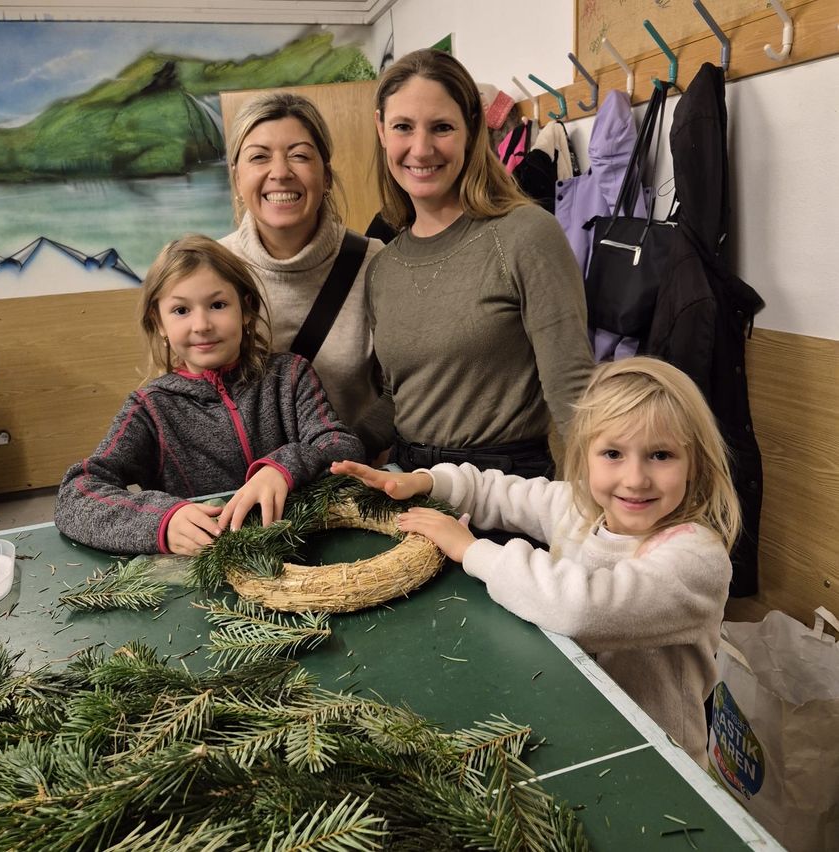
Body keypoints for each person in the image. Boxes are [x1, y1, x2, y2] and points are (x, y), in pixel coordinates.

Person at [332, 357, 741, 767]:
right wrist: (426, 481)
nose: (635, 479)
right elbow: (494, 491)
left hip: (658, 761)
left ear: (695, 464)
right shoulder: (580, 506)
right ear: (585, 456)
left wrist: (471, 550)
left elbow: (583, 609)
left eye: (661, 455)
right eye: (613, 453)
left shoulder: (696, 559)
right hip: (576, 726)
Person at [55, 235, 365, 557]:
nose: (201, 325)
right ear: (157, 322)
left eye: (217, 305)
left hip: (309, 550)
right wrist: (162, 521)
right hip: (209, 570)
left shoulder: (290, 375)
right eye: (180, 310)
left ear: (247, 310)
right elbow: (76, 493)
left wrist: (282, 467)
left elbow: (341, 446)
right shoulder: (150, 408)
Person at [361, 48, 594, 476]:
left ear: (472, 129)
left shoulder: (526, 234)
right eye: (403, 127)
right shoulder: (383, 266)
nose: (421, 147)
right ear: (381, 130)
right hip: (409, 486)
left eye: (442, 127)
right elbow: (401, 398)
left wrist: (609, 507)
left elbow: (572, 392)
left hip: (507, 490)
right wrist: (330, 450)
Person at [220, 92, 384, 438]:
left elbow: (401, 394)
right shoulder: (212, 270)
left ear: (325, 175)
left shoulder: (375, 263)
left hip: (348, 479)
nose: (280, 173)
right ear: (237, 178)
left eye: (299, 156)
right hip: (245, 484)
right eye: (259, 157)